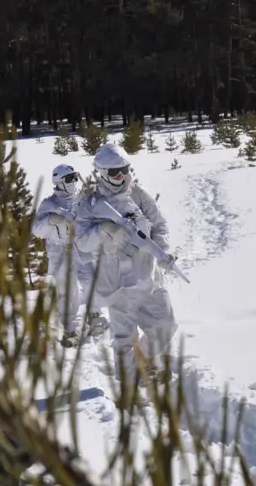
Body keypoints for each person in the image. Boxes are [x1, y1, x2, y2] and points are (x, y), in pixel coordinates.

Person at [75, 144, 178, 384]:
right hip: (117, 282)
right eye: (114, 173)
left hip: (149, 276)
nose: (120, 177)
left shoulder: (139, 195)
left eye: (123, 170)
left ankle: (143, 361)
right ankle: (131, 386)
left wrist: (161, 249)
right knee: (124, 339)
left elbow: (160, 225)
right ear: (101, 172)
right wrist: (103, 230)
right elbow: (81, 242)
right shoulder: (90, 203)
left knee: (165, 325)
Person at [32, 164, 105, 347]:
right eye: (68, 178)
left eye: (74, 177)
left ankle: (94, 314)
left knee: (91, 280)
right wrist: (51, 220)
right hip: (60, 251)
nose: (73, 181)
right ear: (59, 182)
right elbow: (37, 230)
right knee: (68, 290)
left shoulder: (83, 198)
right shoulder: (49, 204)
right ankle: (71, 330)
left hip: (81, 246)